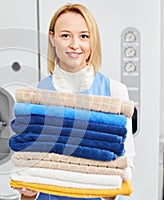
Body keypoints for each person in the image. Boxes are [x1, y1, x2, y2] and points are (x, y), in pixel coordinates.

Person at [12, 3, 135, 200]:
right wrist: (28, 192)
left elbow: (125, 161)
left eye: (84, 36)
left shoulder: (115, 92)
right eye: (65, 35)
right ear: (52, 38)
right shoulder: (34, 96)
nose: (75, 44)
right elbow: (28, 172)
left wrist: (110, 190)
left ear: (92, 40)